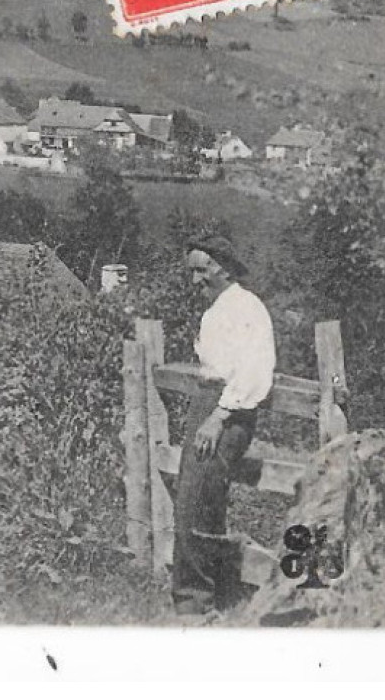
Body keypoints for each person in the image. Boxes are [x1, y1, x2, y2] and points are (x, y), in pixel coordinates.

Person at [173, 235, 277, 616]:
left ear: (226, 268)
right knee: (200, 500)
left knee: (195, 501)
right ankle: (214, 591)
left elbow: (253, 371)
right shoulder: (216, 310)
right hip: (208, 405)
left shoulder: (248, 308)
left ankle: (194, 603)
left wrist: (218, 417)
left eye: (202, 270)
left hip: (227, 414)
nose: (195, 280)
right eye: (192, 272)